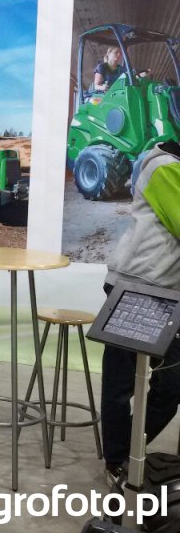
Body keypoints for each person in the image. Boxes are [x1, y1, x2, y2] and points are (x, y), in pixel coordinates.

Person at [101, 139, 180, 487]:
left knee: (171, 386)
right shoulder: (165, 166)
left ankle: (131, 451)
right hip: (138, 286)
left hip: (169, 291)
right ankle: (118, 460)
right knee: (121, 385)